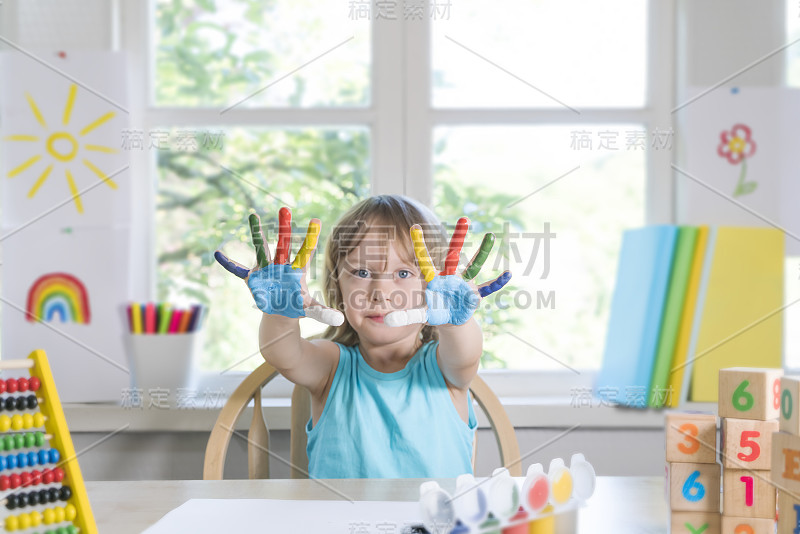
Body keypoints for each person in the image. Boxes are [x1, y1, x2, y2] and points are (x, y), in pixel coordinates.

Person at [214, 195, 510, 478]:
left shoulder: (444, 369)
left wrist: (456, 323)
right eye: (362, 273)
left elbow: (466, 353)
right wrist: (279, 313)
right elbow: (283, 353)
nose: (380, 293)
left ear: (435, 286)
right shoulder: (331, 366)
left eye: (404, 274)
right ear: (337, 285)